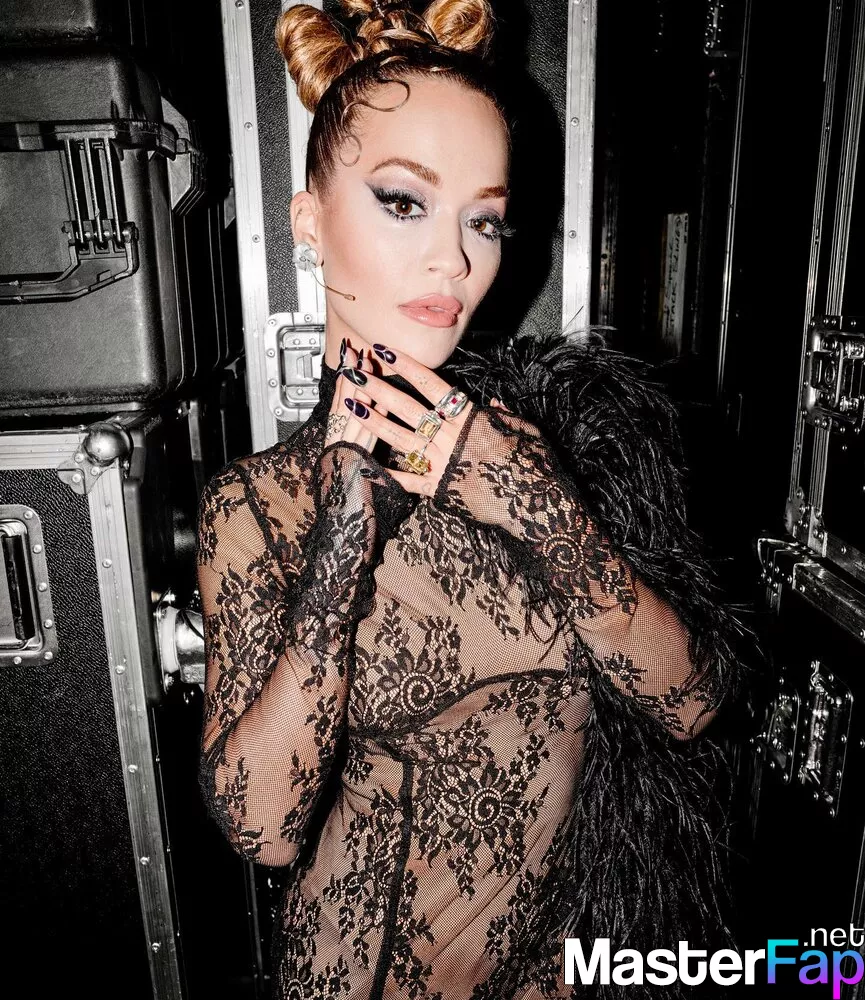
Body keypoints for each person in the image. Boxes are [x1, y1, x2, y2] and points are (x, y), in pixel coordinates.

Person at [196, 1, 745, 997]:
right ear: (309, 223)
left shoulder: (564, 444)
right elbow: (263, 829)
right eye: (404, 201)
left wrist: (532, 498)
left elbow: (692, 703)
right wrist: (338, 549)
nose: (454, 260)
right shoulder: (257, 505)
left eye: (483, 220)